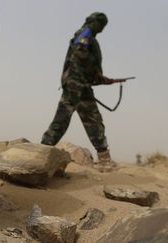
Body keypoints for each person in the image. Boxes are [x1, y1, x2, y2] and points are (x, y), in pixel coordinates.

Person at [41, 12, 124, 172]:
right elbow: (80, 52)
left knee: (93, 120)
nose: (101, 29)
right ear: (93, 22)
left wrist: (107, 80)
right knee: (62, 119)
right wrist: (96, 74)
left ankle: (104, 160)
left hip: (83, 85)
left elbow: (90, 71)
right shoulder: (85, 33)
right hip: (75, 84)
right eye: (100, 25)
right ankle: (43, 151)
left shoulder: (91, 38)